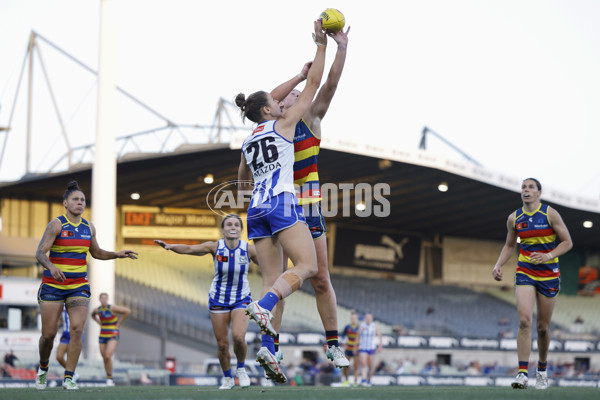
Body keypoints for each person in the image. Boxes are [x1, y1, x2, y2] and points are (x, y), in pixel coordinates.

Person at [236, 20, 327, 384]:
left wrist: (295, 75)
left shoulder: (248, 140)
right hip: (282, 203)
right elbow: (316, 86)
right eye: (276, 102)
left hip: (255, 210)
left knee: (275, 278)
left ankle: (270, 349)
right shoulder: (284, 124)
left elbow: (242, 182)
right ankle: (263, 307)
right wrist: (321, 48)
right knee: (306, 267)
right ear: (270, 110)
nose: (281, 101)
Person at [265, 24, 351, 370]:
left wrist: (340, 48)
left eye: (292, 97)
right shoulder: (269, 128)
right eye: (283, 98)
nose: (287, 99)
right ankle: (272, 348)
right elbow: (269, 96)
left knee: (320, 278)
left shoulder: (310, 118)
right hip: (280, 207)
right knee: (280, 280)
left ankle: (333, 345)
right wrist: (299, 75)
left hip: (309, 206)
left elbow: (328, 86)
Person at [35, 180, 138, 391]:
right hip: (53, 285)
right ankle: (43, 368)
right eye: (75, 199)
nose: (80, 202)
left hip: (78, 285)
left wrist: (117, 254)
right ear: (66, 203)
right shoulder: (56, 225)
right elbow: (39, 252)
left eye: (82, 200)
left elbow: (97, 253)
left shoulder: (89, 227)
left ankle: (69, 378)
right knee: (48, 335)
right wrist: (52, 267)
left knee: (77, 329)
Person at [154, 214, 258, 390]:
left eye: (236, 225)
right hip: (218, 298)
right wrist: (171, 247)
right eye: (229, 224)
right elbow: (189, 249)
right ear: (223, 229)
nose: (233, 227)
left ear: (241, 229)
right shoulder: (215, 247)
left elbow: (269, 264)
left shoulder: (249, 249)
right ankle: (227, 378)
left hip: (241, 297)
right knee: (223, 344)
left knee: (239, 337)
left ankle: (241, 369)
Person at [492, 177, 573, 390]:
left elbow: (567, 242)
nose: (526, 190)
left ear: (539, 193)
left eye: (531, 187)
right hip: (525, 270)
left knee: (543, 327)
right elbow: (510, 245)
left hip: (548, 273)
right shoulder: (514, 218)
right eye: (523, 187)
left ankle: (542, 370)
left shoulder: (550, 214)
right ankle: (522, 374)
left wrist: (549, 256)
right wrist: (498, 264)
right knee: (525, 321)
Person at [91, 292, 131, 386]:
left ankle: (110, 379)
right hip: (103, 334)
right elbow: (92, 315)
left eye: (105, 298)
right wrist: (99, 323)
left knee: (108, 355)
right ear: (100, 299)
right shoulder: (98, 310)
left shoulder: (112, 308)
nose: (104, 300)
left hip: (113, 333)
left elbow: (127, 311)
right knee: (104, 358)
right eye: (102, 298)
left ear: (107, 299)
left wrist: (119, 322)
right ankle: (109, 377)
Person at [356, 312, 382, 387]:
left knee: (371, 366)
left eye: (369, 317)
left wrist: (380, 345)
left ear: (372, 318)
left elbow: (379, 335)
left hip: (371, 348)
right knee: (363, 364)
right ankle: (363, 379)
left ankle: (369, 380)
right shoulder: (361, 325)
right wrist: (356, 346)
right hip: (363, 348)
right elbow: (358, 336)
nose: (368, 319)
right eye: (367, 317)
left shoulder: (374, 326)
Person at [56, 305, 81, 382]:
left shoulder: (75, 302)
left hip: (75, 333)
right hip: (65, 333)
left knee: (70, 356)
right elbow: (60, 319)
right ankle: (73, 373)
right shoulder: (61, 304)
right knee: (59, 357)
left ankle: (69, 376)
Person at [341, 310, 360, 386]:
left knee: (356, 366)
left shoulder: (359, 327)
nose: (353, 320)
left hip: (356, 349)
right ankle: (346, 381)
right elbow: (342, 336)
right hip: (348, 349)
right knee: (345, 365)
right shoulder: (347, 327)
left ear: (357, 319)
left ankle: (355, 382)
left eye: (354, 318)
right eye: (352, 318)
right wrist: (344, 343)